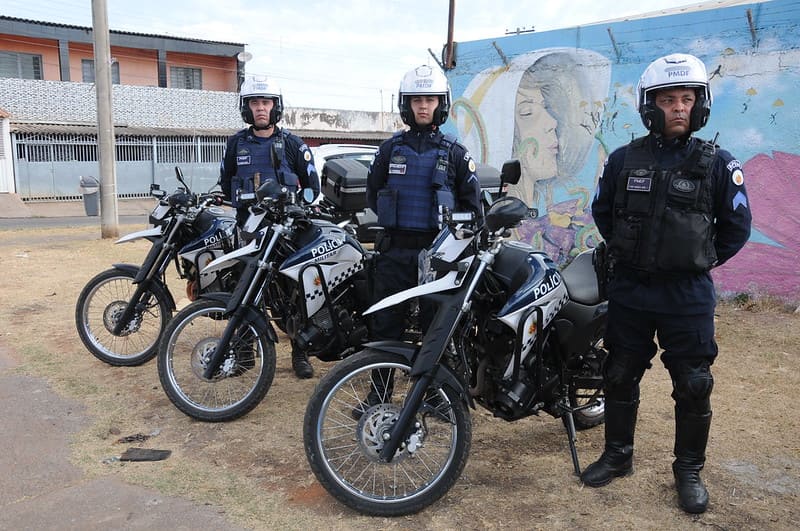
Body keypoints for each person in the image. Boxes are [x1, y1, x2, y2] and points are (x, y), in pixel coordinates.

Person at [584, 53, 752, 514]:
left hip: (688, 295)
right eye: (668, 99)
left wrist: (697, 259)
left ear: (700, 105)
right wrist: (631, 253)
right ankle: (618, 456)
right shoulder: (622, 160)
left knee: (694, 383)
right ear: (648, 105)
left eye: (687, 99)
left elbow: (737, 228)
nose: (678, 107)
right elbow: (603, 213)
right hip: (632, 291)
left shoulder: (719, 163)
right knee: (618, 373)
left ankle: (689, 471)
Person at [355, 65, 482, 414]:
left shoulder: (456, 153)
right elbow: (372, 194)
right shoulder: (389, 150)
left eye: (429, 99)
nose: (423, 106)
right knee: (385, 326)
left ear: (441, 104)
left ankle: (433, 398)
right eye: (416, 100)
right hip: (394, 253)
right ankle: (378, 395)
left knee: (435, 329)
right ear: (405, 105)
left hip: (438, 258)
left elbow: (473, 209)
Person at [451, 48, 611, 261]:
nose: (552, 122)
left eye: (545, 107)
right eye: (527, 113)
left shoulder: (569, 224)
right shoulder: (488, 234)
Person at [219, 74, 321, 379]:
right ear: (246, 107)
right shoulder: (236, 144)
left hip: (286, 236)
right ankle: (245, 352)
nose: (260, 108)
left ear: (275, 106)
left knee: (294, 295)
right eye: (254, 103)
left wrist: (297, 206)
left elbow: (312, 187)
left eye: (266, 102)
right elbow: (226, 186)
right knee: (247, 293)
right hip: (249, 233)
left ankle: (300, 353)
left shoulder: (292, 144)